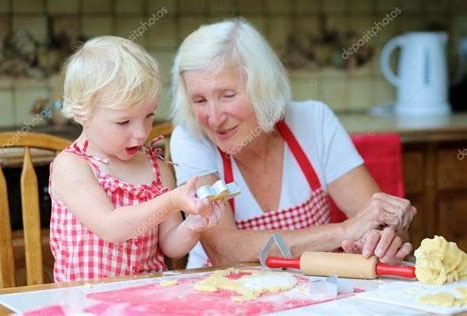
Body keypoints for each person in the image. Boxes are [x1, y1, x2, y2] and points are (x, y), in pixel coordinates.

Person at [170, 19, 416, 269]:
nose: (214, 118)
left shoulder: (314, 121)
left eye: (228, 96)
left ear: (262, 86)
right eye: (199, 100)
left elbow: (383, 224)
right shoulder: (191, 138)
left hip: (309, 291)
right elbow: (224, 250)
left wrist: (385, 241)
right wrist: (344, 231)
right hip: (221, 293)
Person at [49, 36, 224, 282]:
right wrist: (172, 201)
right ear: (82, 113)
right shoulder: (72, 167)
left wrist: (193, 225)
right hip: (86, 301)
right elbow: (111, 227)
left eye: (148, 116)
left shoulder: (156, 168)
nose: (141, 132)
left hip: (147, 297)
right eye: (124, 122)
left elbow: (171, 244)